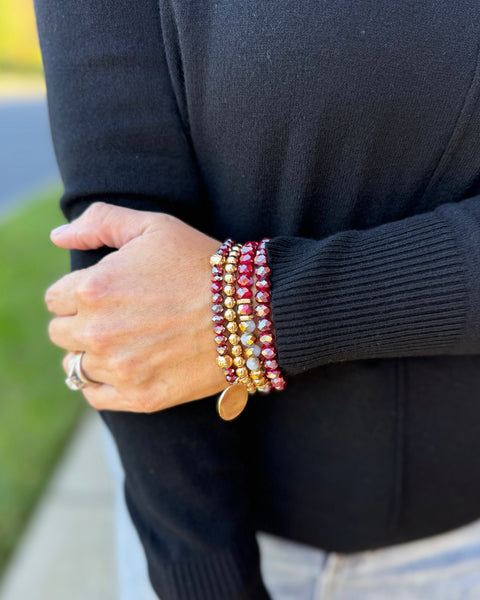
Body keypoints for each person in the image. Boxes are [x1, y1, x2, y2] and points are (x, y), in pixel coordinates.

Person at [34, 0, 480, 598]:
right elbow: (123, 255)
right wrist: (205, 582)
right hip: (222, 531)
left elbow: (162, 308)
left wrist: (256, 306)